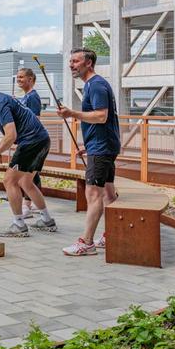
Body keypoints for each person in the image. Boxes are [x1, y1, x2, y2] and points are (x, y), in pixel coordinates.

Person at [0, 71, 57, 237]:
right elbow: (10, 134)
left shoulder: (0, 103)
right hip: (41, 139)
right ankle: (47, 220)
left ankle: (19, 225)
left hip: (31, 142)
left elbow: (11, 135)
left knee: (9, 180)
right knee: (26, 182)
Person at [57, 48, 120, 256]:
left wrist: (71, 113)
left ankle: (87, 243)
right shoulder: (92, 85)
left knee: (93, 193)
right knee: (108, 194)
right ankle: (111, 234)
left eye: (76, 61)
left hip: (102, 148)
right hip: (102, 146)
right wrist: (90, 144)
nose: (71, 65)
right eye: (71, 61)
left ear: (89, 63)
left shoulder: (96, 85)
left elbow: (101, 116)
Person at [16, 68, 43, 219]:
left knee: (27, 174)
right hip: (25, 139)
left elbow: (35, 119)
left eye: (21, 77)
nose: (18, 80)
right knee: (32, 173)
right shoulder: (25, 97)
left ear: (30, 79)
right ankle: (31, 204)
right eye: (17, 77)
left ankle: (27, 205)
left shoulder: (33, 97)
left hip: (31, 140)